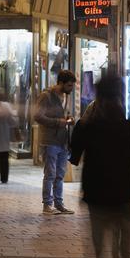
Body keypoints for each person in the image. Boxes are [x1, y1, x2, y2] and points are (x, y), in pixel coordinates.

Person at [69, 74, 130, 258]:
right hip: (124, 191)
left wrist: (84, 121)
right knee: (124, 246)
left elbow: (74, 153)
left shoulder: (88, 127)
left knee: (99, 245)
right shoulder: (128, 127)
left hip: (97, 192)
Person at [35, 69, 78, 215]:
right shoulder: (46, 96)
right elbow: (37, 116)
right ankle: (47, 204)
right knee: (50, 174)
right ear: (60, 83)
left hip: (62, 140)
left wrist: (69, 119)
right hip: (49, 140)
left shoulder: (67, 97)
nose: (71, 89)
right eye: (69, 86)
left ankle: (59, 204)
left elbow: (65, 115)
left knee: (60, 174)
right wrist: (57, 122)